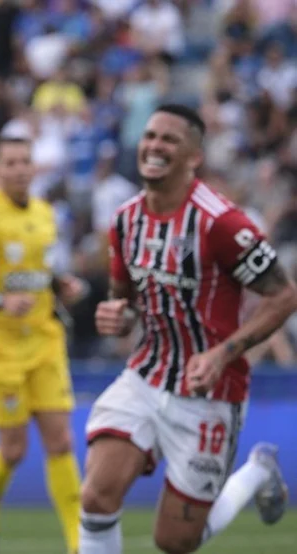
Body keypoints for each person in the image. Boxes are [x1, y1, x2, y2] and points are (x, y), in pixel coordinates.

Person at [80, 104, 294, 554]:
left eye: (169, 140)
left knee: (175, 541)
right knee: (97, 495)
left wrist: (222, 354)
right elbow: (126, 302)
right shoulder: (125, 221)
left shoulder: (223, 223)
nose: (155, 146)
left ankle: (256, 471)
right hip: (146, 374)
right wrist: (117, 316)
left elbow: (285, 295)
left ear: (194, 157)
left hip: (209, 393)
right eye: (150, 136)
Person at [0, 134, 86, 554]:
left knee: (61, 441)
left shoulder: (47, 214)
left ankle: (79, 543)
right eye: (10, 162)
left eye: (25, 161)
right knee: (13, 449)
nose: (19, 169)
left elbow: (35, 271)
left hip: (44, 339)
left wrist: (58, 285)